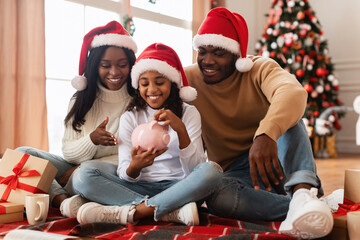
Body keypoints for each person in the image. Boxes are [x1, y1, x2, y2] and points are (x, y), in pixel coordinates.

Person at [183, 7, 333, 239]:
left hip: (277, 159)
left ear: (237, 55)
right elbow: (152, 87)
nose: (208, 60)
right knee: (215, 196)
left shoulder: (260, 68)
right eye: (202, 51)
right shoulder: (189, 80)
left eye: (219, 53)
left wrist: (266, 135)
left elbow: (293, 93)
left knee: (290, 119)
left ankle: (303, 191)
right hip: (237, 174)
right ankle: (302, 207)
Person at [69, 43, 223, 226]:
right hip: (138, 187)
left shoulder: (189, 113)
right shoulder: (131, 116)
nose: (152, 90)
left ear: (172, 83)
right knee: (82, 176)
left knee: (212, 171)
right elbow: (125, 173)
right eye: (144, 84)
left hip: (179, 187)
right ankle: (167, 211)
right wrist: (135, 166)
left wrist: (180, 129)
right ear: (138, 86)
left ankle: (136, 212)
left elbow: (194, 169)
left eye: (159, 82)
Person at [15, 21, 137, 216]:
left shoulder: (137, 101)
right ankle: (63, 199)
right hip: (76, 167)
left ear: (131, 65)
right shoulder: (81, 99)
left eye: (122, 65)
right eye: (105, 65)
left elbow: (131, 157)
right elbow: (69, 152)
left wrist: (80, 168)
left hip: (107, 172)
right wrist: (91, 140)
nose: (114, 73)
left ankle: (66, 191)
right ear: (95, 66)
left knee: (84, 176)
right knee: (21, 155)